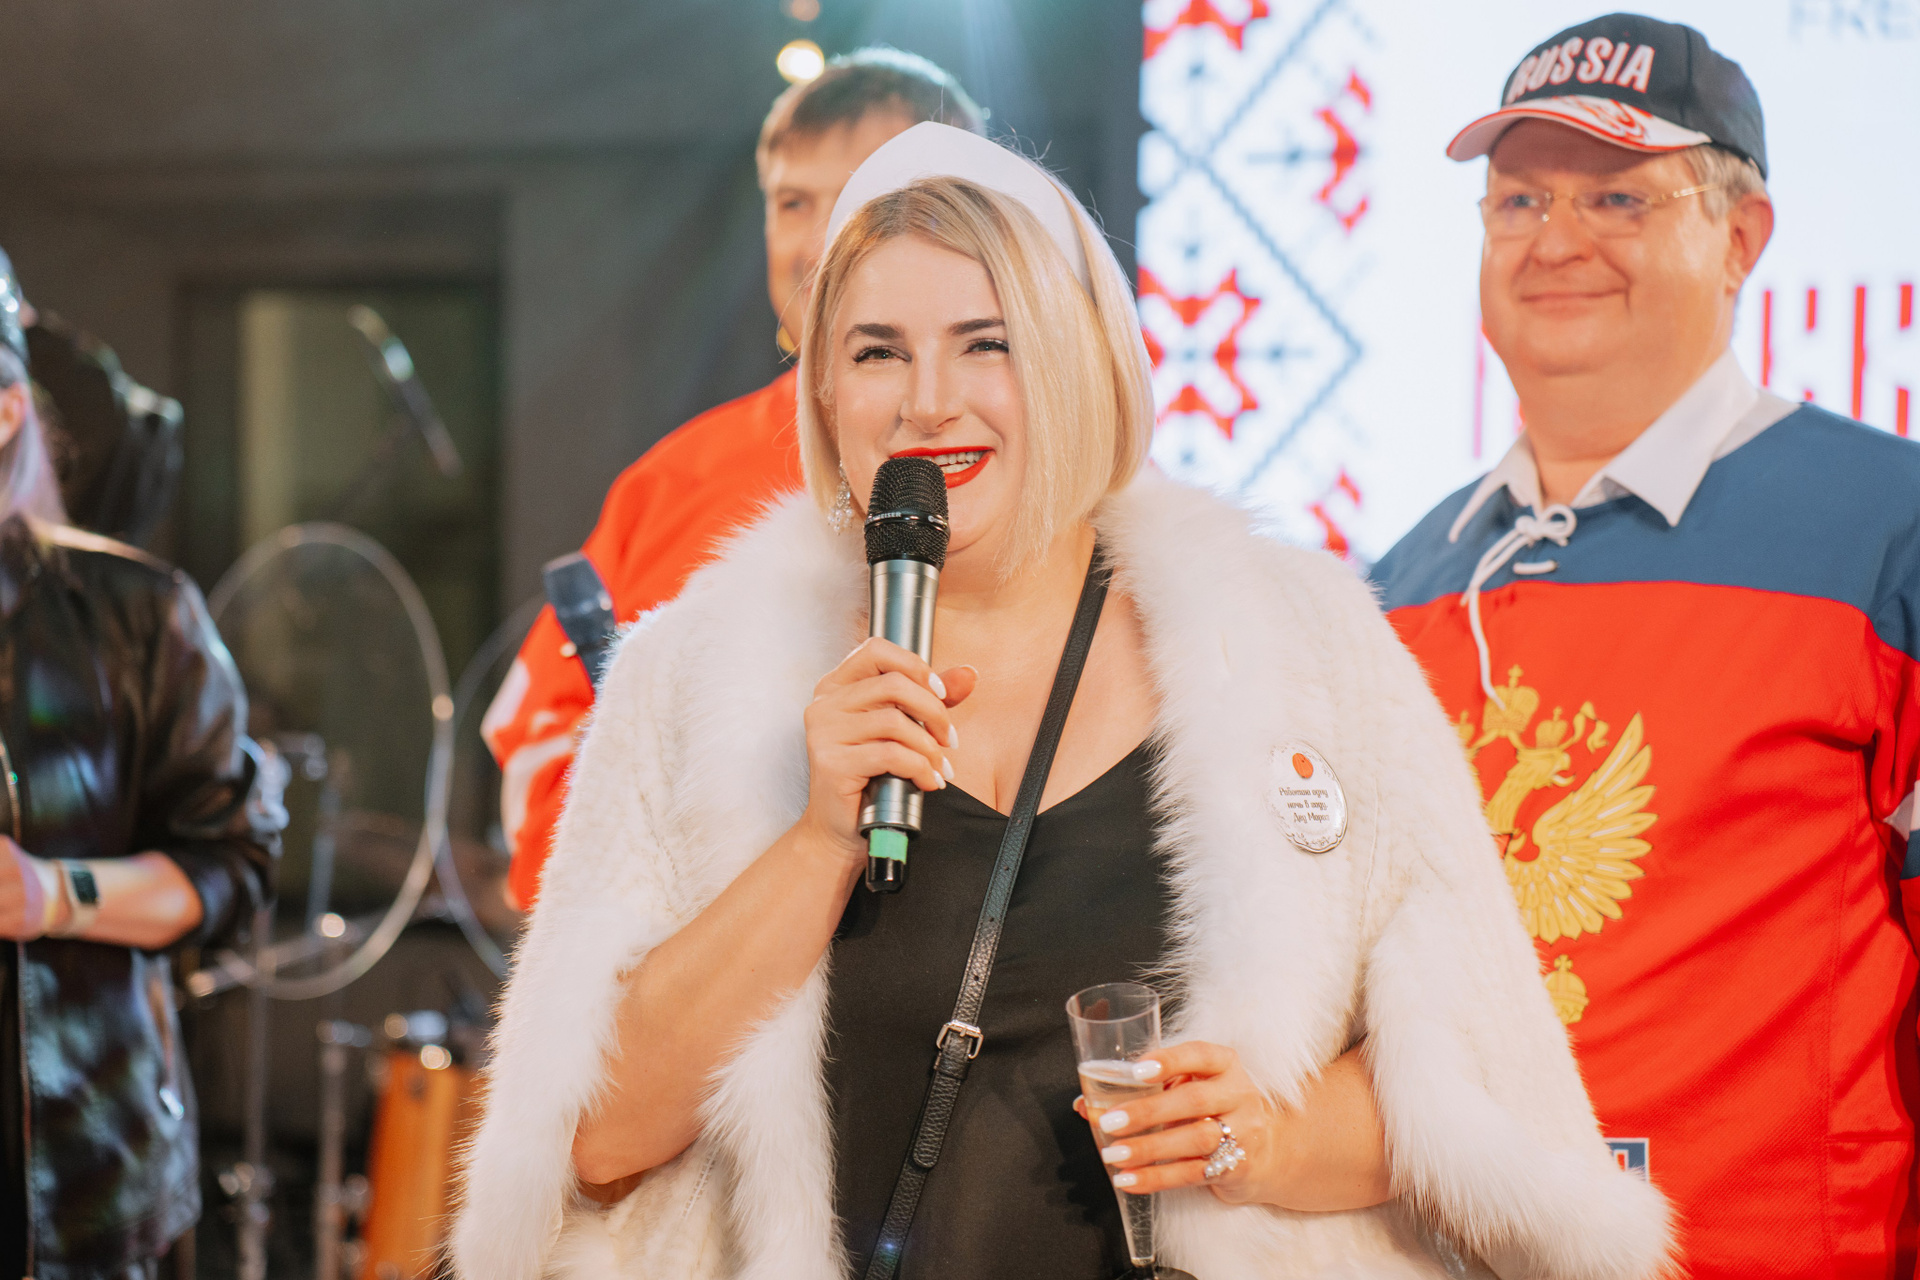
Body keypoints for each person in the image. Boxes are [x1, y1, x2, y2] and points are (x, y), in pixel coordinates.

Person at [454, 123, 1668, 1280]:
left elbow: (1488, 1094)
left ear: (1079, 361)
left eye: (988, 342)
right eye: (877, 351)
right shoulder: (692, 676)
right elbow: (591, 1139)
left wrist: (1268, 1138)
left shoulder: (1303, 647)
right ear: (822, 390)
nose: (930, 400)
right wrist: (818, 837)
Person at [1371, 14, 1920, 1276]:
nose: (1556, 239)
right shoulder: (1397, 587)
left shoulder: (1887, 531)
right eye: (1518, 200)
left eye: (1618, 196)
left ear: (1740, 237)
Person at [481, 49, 984, 910]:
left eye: (866, 193)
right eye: (793, 202)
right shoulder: (675, 480)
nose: (819, 240)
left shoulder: (1053, 466)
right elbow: (542, 752)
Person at [0, 249, 282, 1278]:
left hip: (77, 1191)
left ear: (6, 411)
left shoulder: (137, 614)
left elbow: (232, 867)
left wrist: (50, 892)